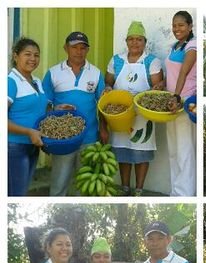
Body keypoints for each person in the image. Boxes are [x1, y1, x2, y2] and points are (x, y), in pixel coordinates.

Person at [102, 21, 163, 197]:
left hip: (142, 113)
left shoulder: (152, 61)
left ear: (145, 42)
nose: (135, 43)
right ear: (126, 41)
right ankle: (125, 186)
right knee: (123, 151)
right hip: (119, 113)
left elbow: (157, 86)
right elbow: (109, 82)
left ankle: (139, 188)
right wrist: (107, 88)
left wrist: (157, 88)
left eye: (139, 39)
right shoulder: (116, 60)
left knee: (141, 150)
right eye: (131, 39)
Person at [43, 32, 105, 196]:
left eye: (82, 48)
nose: (79, 51)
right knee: (59, 182)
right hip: (63, 138)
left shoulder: (96, 73)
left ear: (87, 50)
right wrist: (56, 109)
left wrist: (104, 129)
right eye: (74, 47)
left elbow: (103, 104)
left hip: (89, 136)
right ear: (66, 48)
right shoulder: (53, 72)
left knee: (85, 185)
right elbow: (44, 104)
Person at [162, 11, 197, 196]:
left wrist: (176, 97)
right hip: (171, 102)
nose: (177, 29)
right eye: (174, 25)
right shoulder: (175, 46)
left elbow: (184, 72)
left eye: (181, 25)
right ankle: (175, 191)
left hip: (184, 102)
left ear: (190, 26)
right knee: (173, 149)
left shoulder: (193, 45)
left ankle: (185, 193)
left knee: (184, 150)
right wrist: (163, 87)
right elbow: (172, 74)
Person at [8, 37, 47, 196]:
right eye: (27, 54)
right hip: (14, 147)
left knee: (21, 191)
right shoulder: (10, 82)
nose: (33, 59)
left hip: (33, 145)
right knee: (15, 194)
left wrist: (56, 108)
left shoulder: (36, 81)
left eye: (36, 55)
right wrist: (28, 132)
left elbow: (36, 107)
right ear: (16, 56)